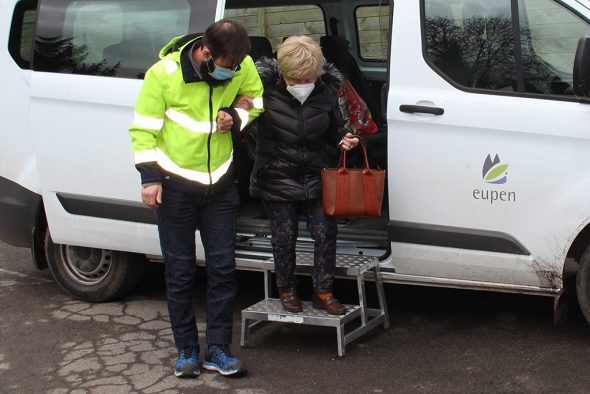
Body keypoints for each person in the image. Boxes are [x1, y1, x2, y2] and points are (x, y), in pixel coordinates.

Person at [128, 19, 263, 378]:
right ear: (205, 53)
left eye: (236, 67)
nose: (233, 72)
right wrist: (150, 178)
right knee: (181, 273)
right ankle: (187, 351)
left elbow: (258, 100)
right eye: (226, 66)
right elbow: (143, 129)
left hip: (220, 186)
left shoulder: (241, 63)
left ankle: (218, 350)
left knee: (222, 270)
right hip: (174, 189)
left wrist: (236, 115)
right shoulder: (164, 74)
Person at [250, 36, 359, 315]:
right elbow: (241, 122)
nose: (302, 85)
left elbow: (337, 128)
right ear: (284, 72)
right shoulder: (262, 91)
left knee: (325, 233)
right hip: (276, 175)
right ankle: (286, 289)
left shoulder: (325, 92)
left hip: (315, 175)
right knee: (284, 236)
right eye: (296, 80)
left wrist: (345, 138)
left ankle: (323, 291)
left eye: (308, 78)